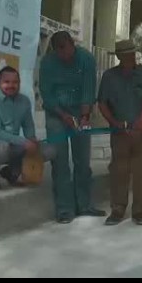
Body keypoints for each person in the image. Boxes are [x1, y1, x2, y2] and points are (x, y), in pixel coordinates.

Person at [39, 31, 104, 224]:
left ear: (72, 45)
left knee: (82, 160)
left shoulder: (86, 59)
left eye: (66, 50)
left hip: (80, 111)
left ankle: (84, 205)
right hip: (56, 113)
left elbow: (88, 89)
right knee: (59, 162)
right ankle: (64, 210)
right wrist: (62, 115)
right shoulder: (47, 63)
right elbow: (46, 93)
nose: (64, 55)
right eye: (59, 52)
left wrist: (84, 117)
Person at [97, 39, 142, 226]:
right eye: (125, 55)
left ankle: (139, 211)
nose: (130, 57)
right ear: (118, 56)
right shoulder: (109, 76)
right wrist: (114, 123)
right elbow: (102, 103)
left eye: (132, 53)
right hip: (120, 132)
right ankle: (117, 209)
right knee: (119, 171)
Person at [0, 66, 56, 190]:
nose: (11, 85)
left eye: (15, 82)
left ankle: (12, 172)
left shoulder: (24, 101)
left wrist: (32, 139)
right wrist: (24, 142)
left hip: (15, 145)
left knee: (51, 150)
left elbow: (28, 124)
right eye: (6, 82)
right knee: (1, 147)